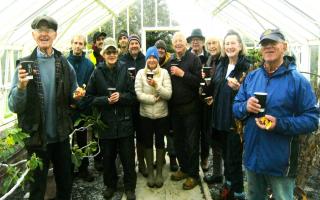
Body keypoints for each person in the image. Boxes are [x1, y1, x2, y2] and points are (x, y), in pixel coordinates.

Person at [233, 29, 319, 200]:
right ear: (261, 49)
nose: (269, 47)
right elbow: (235, 106)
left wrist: (279, 124)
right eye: (265, 44)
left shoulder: (297, 81)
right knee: (254, 196)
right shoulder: (252, 77)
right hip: (253, 157)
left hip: (280, 161)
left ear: (284, 47)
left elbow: (312, 120)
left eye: (273, 43)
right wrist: (245, 107)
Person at [8, 15, 82, 200]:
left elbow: (74, 92)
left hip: (61, 136)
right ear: (33, 35)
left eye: (48, 30)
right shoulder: (24, 66)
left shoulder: (64, 63)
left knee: (65, 183)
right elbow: (13, 106)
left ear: (55, 34)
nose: (44, 34)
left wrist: (77, 95)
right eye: (40, 31)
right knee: (37, 187)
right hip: (37, 138)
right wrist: (21, 88)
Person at [85, 38, 137, 200]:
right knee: (108, 158)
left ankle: (129, 187)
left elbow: (133, 96)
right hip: (106, 123)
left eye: (114, 51)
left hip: (124, 122)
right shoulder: (97, 72)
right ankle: (110, 185)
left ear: (118, 53)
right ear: (103, 54)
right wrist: (105, 101)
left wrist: (120, 96)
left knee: (128, 158)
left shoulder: (124, 70)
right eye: (108, 52)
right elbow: (89, 97)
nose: (112, 54)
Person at [207, 30, 250, 199]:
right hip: (220, 117)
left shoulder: (247, 67)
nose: (230, 46)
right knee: (225, 155)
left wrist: (240, 89)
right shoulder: (222, 65)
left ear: (240, 46)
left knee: (234, 160)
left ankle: (238, 193)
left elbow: (253, 94)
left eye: (233, 43)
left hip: (235, 121)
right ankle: (229, 185)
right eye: (227, 43)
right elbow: (218, 87)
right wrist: (213, 98)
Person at [135, 46, 172, 188]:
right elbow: (138, 94)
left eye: (154, 57)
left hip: (162, 114)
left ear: (157, 59)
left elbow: (168, 94)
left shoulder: (164, 73)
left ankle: (159, 174)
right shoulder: (140, 73)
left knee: (160, 143)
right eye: (149, 57)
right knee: (147, 142)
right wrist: (152, 99)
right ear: (146, 59)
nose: (151, 60)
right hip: (145, 115)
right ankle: (150, 172)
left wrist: (156, 85)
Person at [169, 32, 202, 190]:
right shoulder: (171, 60)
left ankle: (194, 175)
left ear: (185, 43)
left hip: (190, 109)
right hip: (175, 109)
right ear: (173, 44)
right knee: (178, 142)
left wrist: (182, 74)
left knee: (191, 143)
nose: (178, 44)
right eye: (175, 42)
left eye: (180, 41)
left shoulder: (193, 59)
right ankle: (184, 168)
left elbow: (198, 82)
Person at [67, 34, 94, 182]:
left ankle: (84, 169)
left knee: (83, 140)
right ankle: (68, 170)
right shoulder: (64, 62)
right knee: (69, 140)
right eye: (75, 43)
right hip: (68, 109)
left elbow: (90, 87)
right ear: (71, 44)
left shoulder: (89, 65)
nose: (78, 46)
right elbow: (62, 86)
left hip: (83, 109)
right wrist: (69, 102)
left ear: (84, 46)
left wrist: (80, 103)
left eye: (80, 43)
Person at [119, 34, 147, 177]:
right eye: (132, 43)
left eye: (136, 43)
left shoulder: (145, 60)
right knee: (128, 136)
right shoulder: (122, 60)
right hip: (128, 105)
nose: (134, 45)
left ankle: (142, 163)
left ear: (140, 45)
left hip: (142, 104)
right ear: (128, 46)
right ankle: (130, 166)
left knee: (142, 135)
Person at [187, 28, 210, 171]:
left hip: (206, 99)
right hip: (190, 99)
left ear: (202, 42)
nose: (195, 42)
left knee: (205, 130)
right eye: (193, 40)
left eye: (198, 39)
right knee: (191, 132)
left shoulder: (210, 57)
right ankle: (192, 159)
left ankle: (205, 157)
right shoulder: (185, 56)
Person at [155, 39, 179, 172]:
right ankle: (160, 157)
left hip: (170, 103)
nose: (160, 51)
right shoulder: (151, 63)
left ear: (165, 50)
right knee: (158, 132)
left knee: (170, 132)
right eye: (158, 49)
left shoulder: (170, 63)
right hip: (156, 103)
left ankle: (173, 158)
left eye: (162, 49)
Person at [203, 36, 224, 184]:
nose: (211, 46)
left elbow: (222, 85)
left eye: (214, 43)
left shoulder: (224, 60)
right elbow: (211, 83)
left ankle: (229, 182)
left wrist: (215, 98)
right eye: (209, 43)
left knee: (225, 146)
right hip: (212, 106)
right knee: (215, 142)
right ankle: (218, 174)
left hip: (222, 107)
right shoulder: (210, 60)